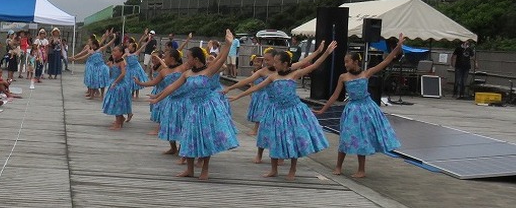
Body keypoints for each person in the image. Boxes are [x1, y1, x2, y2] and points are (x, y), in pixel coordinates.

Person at [230, 41, 337, 180]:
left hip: (292, 111)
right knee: (275, 139)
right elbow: (256, 87)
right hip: (276, 112)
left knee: (293, 138)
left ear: (285, 64)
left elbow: (314, 65)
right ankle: (273, 169)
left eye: (276, 62)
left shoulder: (294, 74)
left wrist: (326, 52)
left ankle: (293, 168)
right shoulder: (272, 77)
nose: (274, 65)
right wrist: (237, 95)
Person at [152, 30, 239, 180]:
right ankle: (190, 169)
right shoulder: (187, 74)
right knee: (189, 137)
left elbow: (221, 58)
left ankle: (205, 169)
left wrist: (228, 43)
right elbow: (172, 87)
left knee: (206, 137)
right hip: (193, 108)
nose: (186, 60)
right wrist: (157, 98)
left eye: (188, 58)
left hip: (207, 107)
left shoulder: (208, 71)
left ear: (196, 59)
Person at [314, 37, 404, 178]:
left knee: (363, 138)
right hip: (352, 110)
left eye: (347, 62)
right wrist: (323, 110)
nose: (345, 64)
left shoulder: (366, 73)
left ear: (356, 62)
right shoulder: (343, 77)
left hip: (367, 108)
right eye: (345, 62)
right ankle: (338, 166)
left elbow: (386, 61)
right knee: (345, 137)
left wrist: (397, 47)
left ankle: (361, 169)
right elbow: (334, 96)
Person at [101, 46, 132, 130]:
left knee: (117, 103)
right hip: (113, 83)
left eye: (115, 51)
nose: (113, 52)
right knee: (114, 102)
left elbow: (123, 73)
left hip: (119, 85)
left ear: (121, 53)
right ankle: (120, 119)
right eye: (113, 50)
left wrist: (115, 82)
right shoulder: (113, 60)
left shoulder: (122, 61)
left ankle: (118, 124)